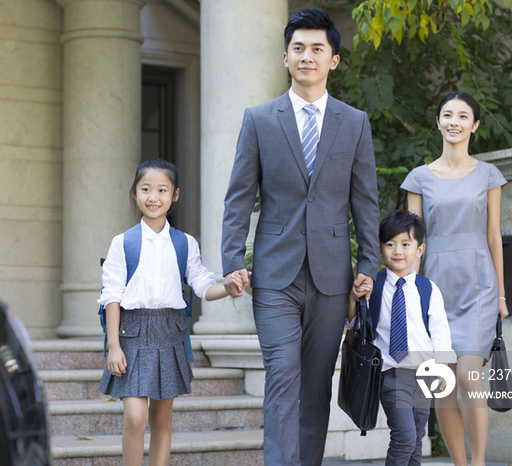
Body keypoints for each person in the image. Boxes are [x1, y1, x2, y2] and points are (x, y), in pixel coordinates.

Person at [221, 7, 380, 466]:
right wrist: (234, 258)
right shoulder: (259, 120)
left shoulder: (355, 123)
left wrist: (368, 266)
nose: (306, 56)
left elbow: (365, 203)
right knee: (283, 378)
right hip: (275, 276)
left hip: (333, 279)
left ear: (333, 59)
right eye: (298, 48)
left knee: (315, 389)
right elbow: (238, 197)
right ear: (285, 58)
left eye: (317, 48)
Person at [97, 159, 245, 466]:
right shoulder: (123, 242)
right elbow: (111, 296)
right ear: (135, 193)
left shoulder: (184, 243)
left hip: (169, 332)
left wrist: (228, 287)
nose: (153, 197)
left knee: (162, 420)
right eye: (146, 189)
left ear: (174, 195)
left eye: (162, 190)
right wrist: (113, 345)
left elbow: (203, 285)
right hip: (131, 333)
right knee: (136, 418)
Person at [401, 92, 508, 466]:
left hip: (479, 287)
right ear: (438, 122)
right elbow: (413, 241)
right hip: (435, 290)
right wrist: (408, 296)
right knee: (442, 387)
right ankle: (460, 464)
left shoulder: (488, 175)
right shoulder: (418, 178)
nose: (454, 121)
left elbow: (494, 236)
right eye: (447, 114)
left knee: (467, 376)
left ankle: (478, 462)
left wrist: (502, 297)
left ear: (474, 125)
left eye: (463, 116)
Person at [351, 210, 456, 466]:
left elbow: (440, 331)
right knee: (405, 437)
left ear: (419, 250)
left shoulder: (428, 288)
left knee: (417, 439)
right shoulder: (372, 286)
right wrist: (354, 299)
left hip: (423, 375)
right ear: (380, 249)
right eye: (389, 244)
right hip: (390, 375)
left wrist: (443, 369)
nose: (397, 251)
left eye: (405, 244)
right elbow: (354, 325)